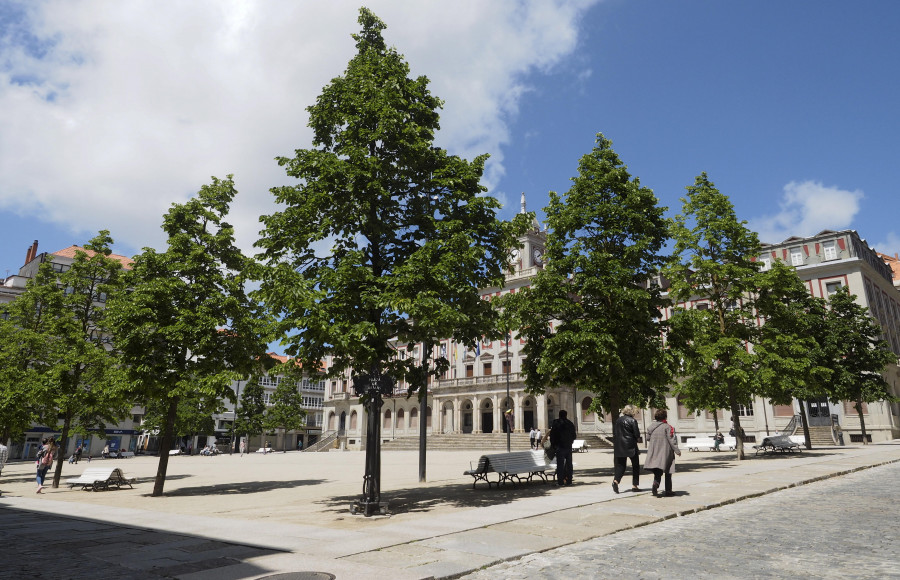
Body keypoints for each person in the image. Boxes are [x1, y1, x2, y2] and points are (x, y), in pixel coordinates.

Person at [644, 409, 681, 497]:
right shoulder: (667, 427)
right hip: (665, 451)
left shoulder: (651, 427)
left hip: (654, 451)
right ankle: (668, 490)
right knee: (668, 471)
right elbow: (672, 440)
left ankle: (655, 484)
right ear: (665, 416)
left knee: (657, 470)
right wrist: (677, 450)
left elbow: (647, 438)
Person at [612, 405, 642, 493]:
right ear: (632, 412)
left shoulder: (618, 420)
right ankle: (634, 485)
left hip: (619, 446)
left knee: (621, 465)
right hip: (630, 446)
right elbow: (637, 434)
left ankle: (616, 481)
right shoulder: (632, 421)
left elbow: (615, 433)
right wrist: (637, 439)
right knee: (635, 465)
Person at [549, 410, 577, 486]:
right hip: (568, 446)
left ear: (559, 415)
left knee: (560, 465)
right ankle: (569, 480)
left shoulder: (556, 423)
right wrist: (570, 441)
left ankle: (560, 482)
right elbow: (574, 436)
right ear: (566, 415)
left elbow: (552, 435)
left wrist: (553, 445)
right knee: (569, 464)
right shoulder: (570, 423)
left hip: (560, 446)